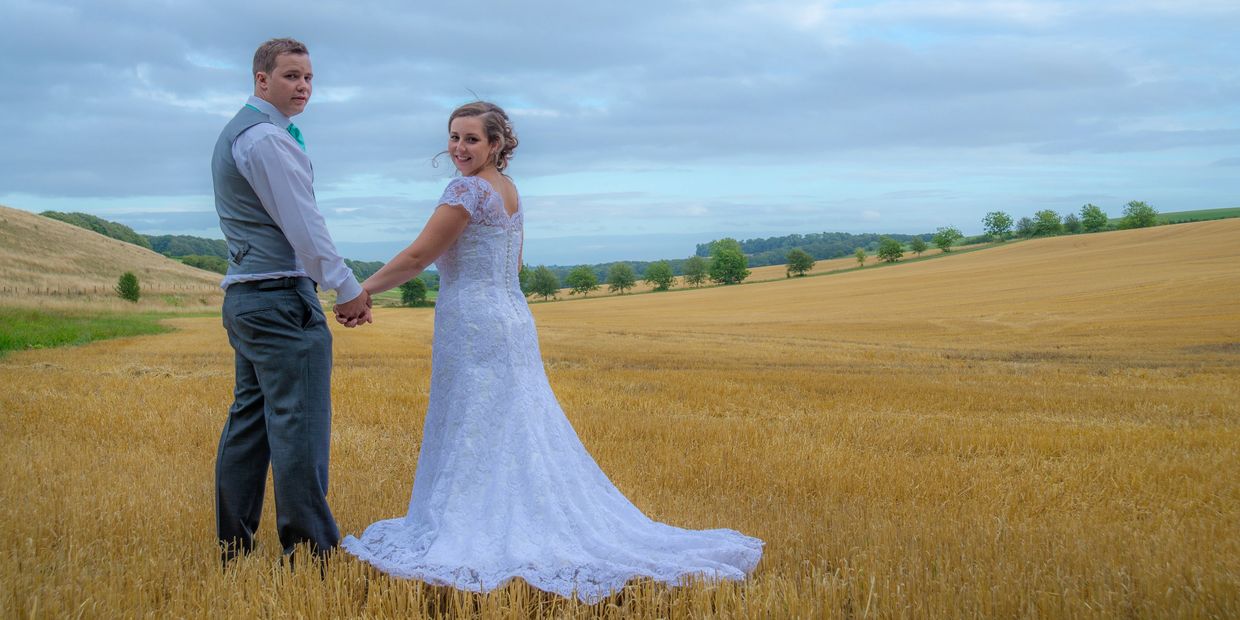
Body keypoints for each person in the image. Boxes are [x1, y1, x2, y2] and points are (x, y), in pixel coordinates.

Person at [340, 102, 762, 601]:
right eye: (453, 137)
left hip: (474, 321)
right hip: (512, 317)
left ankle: (475, 524)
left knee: (476, 420)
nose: (458, 148)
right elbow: (514, 266)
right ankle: (507, 514)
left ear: (496, 144)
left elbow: (418, 255)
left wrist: (358, 290)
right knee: (512, 420)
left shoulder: (467, 190)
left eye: (472, 139)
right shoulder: (508, 191)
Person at [211, 37, 372, 564]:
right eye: (290, 76)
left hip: (246, 296)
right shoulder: (266, 140)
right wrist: (346, 289)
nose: (303, 86)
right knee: (298, 425)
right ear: (262, 79)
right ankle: (309, 554)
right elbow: (305, 226)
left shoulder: (246, 133)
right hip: (280, 297)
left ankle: (234, 546)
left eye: (308, 78)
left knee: (251, 423)